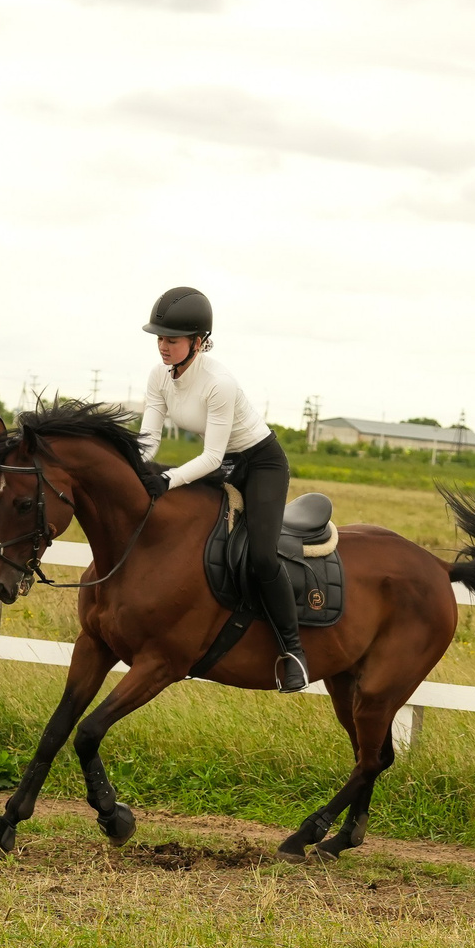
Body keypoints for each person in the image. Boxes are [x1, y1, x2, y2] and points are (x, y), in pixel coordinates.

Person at [133, 286, 308, 692]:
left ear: (198, 342)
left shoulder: (219, 383)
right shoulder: (158, 376)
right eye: (159, 338)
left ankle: (294, 651)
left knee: (262, 557)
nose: (163, 346)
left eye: (171, 340)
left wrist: (166, 479)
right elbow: (148, 440)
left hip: (261, 464)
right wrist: (134, 469)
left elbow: (211, 457)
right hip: (227, 463)